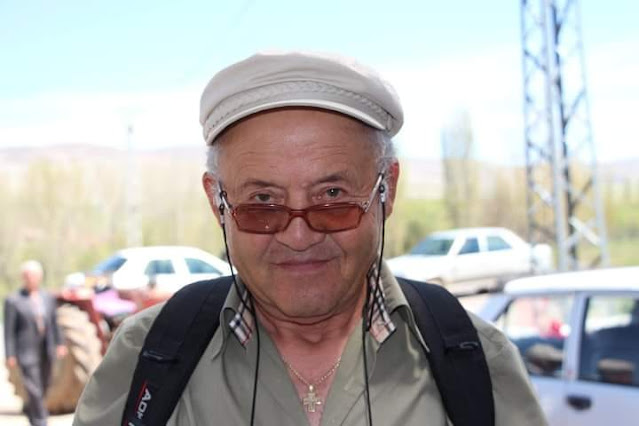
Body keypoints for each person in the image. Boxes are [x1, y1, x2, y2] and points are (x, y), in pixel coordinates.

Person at [73, 51, 547, 425]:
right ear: (217, 201)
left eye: (332, 196)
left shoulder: (475, 362)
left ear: (387, 190)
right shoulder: (147, 357)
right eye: (262, 201)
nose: (298, 236)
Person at [4, 260, 67, 426]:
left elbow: (54, 323)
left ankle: (31, 411)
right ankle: (41, 420)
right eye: (28, 276)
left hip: (46, 349)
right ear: (23, 278)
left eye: (34, 275)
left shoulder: (47, 298)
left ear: (39, 277)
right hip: (25, 350)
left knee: (45, 384)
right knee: (34, 387)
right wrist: (10, 354)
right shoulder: (13, 300)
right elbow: (9, 330)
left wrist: (60, 343)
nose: (31, 279)